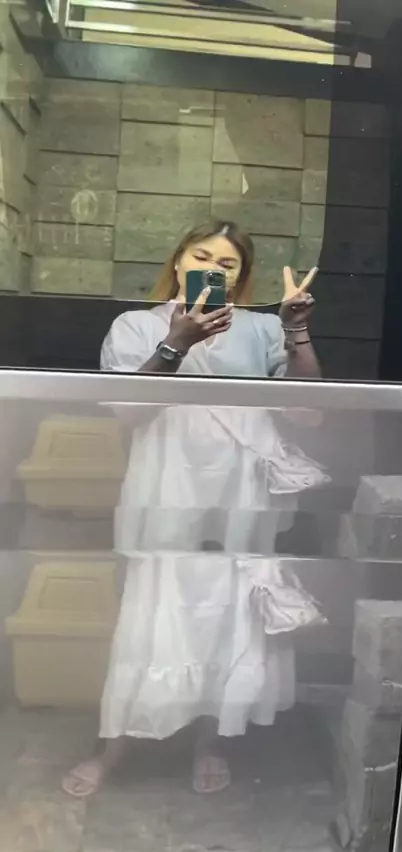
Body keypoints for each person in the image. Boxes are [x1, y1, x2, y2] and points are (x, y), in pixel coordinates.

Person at [61, 220, 325, 798]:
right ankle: (113, 747)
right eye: (202, 256)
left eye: (227, 263)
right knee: (151, 610)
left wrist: (296, 330)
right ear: (179, 261)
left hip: (242, 492)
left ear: (242, 275)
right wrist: (175, 342)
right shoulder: (135, 326)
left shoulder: (262, 328)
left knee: (229, 610)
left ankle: (211, 741)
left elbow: (309, 412)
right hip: (166, 484)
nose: (213, 269)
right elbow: (128, 414)